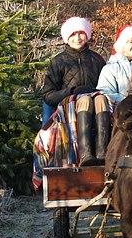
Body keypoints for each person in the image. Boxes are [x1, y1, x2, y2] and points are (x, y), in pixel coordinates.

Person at [41, 17, 108, 166]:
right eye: (73, 34)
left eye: (81, 33)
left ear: (87, 35)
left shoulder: (97, 59)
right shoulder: (58, 62)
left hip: (96, 101)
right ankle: (85, 154)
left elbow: (106, 84)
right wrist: (71, 91)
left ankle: (102, 151)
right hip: (68, 105)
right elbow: (48, 95)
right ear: (66, 38)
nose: (77, 38)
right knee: (84, 99)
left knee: (100, 99)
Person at [97, 25, 132, 105]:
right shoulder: (111, 68)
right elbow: (105, 92)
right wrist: (127, 101)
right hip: (119, 110)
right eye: (131, 42)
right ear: (123, 45)